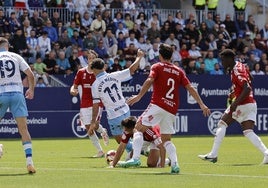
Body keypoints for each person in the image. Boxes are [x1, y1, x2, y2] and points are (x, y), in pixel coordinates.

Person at [121, 44, 211, 174]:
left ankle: (135, 158)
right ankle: (175, 165)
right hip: (172, 109)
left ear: (160, 55)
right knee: (166, 139)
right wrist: (202, 104)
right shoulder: (179, 70)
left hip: (158, 104)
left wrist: (139, 96)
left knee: (138, 127)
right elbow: (190, 88)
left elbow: (149, 80)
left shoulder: (157, 66)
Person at [198, 49, 268, 164]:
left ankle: (213, 154)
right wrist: (235, 90)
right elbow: (251, 79)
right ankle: (266, 153)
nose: (222, 63)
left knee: (222, 123)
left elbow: (247, 88)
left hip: (242, 104)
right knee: (248, 131)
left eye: (223, 60)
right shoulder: (240, 66)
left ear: (230, 59)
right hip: (251, 103)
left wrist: (235, 103)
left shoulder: (237, 70)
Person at [89, 49, 145, 145]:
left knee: (121, 141)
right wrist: (139, 57)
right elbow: (131, 70)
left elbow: (96, 106)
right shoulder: (115, 75)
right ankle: (139, 151)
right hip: (125, 110)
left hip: (114, 115)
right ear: (104, 67)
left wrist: (93, 122)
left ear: (94, 69)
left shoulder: (95, 85)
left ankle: (137, 153)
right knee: (132, 135)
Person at [0, 37, 36, 173]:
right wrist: (31, 89)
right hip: (17, 93)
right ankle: (29, 163)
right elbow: (30, 75)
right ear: (7, 46)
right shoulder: (16, 56)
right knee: (23, 130)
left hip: (1, 94)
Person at [70, 50, 109, 158]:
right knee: (89, 128)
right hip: (84, 103)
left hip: (97, 102)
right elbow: (74, 85)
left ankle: (102, 130)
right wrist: (73, 90)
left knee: (95, 125)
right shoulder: (81, 72)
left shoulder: (100, 73)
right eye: (89, 58)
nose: (90, 60)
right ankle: (100, 151)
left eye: (93, 58)